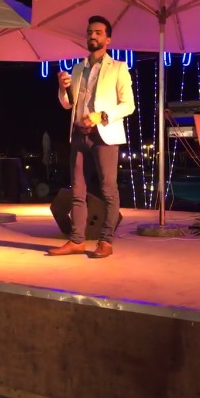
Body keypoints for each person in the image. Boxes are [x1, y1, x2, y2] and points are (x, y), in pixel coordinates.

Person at [48, 15, 135, 258]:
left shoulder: (118, 67)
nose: (92, 36)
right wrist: (62, 88)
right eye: (89, 32)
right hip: (79, 135)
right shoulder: (78, 68)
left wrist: (101, 116)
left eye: (98, 32)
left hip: (104, 135)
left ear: (108, 39)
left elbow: (129, 105)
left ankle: (105, 241)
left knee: (108, 190)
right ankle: (77, 240)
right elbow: (68, 104)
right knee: (77, 190)